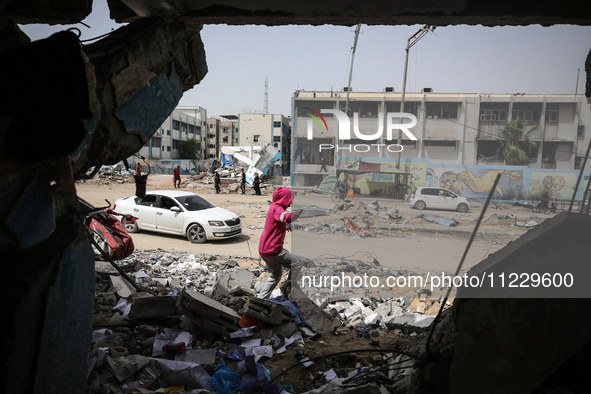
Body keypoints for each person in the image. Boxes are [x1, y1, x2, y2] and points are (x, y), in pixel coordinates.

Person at [258, 187, 312, 299]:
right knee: (297, 263)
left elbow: (278, 220)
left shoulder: (273, 207)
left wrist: (285, 225)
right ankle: (289, 289)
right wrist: (294, 215)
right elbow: (285, 216)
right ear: (284, 199)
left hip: (264, 249)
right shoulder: (277, 208)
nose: (289, 204)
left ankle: (261, 299)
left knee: (275, 275)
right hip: (273, 250)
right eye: (289, 201)